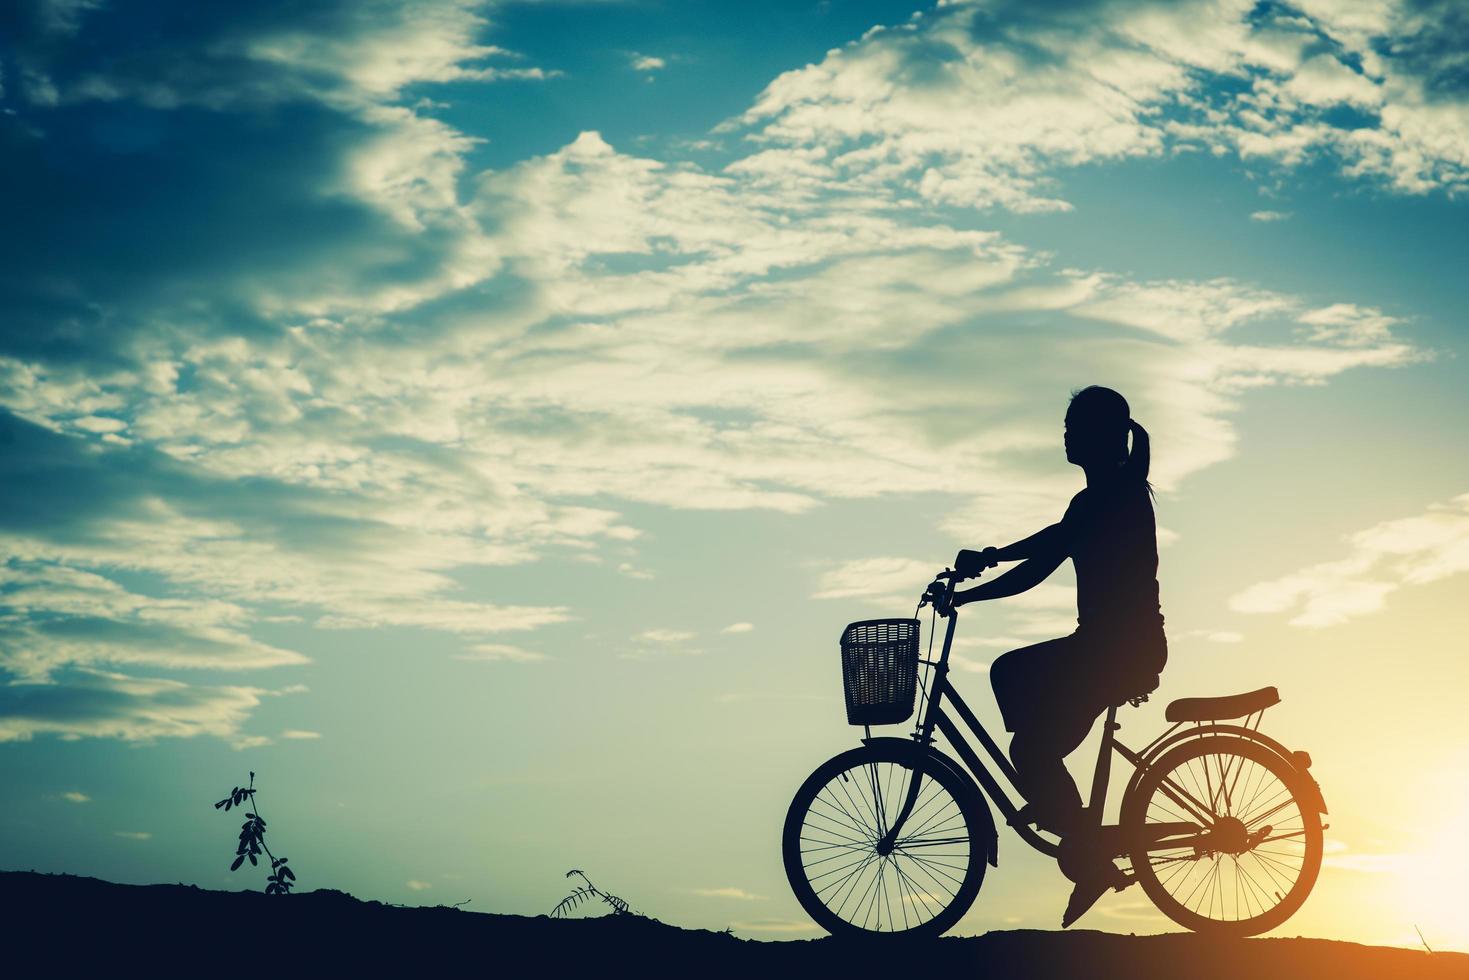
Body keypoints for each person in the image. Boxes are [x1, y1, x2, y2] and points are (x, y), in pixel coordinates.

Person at [950, 385, 1167, 927]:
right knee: (1026, 722)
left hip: (1117, 651)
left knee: (1027, 733)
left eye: (1074, 427)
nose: (1065, 435)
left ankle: (1082, 842)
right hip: (1108, 648)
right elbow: (1052, 543)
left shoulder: (1111, 497)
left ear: (1097, 436)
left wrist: (975, 585)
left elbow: (1041, 560)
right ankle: (1062, 808)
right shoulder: (1104, 495)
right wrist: (990, 560)